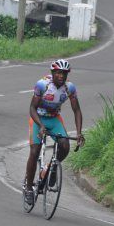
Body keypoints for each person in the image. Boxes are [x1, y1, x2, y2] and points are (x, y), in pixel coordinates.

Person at [23, 59, 85, 205]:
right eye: (58, 73)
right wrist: (40, 125)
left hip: (54, 118)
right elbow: (32, 108)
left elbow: (76, 110)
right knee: (34, 151)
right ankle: (29, 187)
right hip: (38, 118)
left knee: (65, 146)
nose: (61, 76)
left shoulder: (69, 88)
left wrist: (79, 132)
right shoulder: (42, 85)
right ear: (52, 73)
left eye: (64, 73)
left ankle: (51, 169)